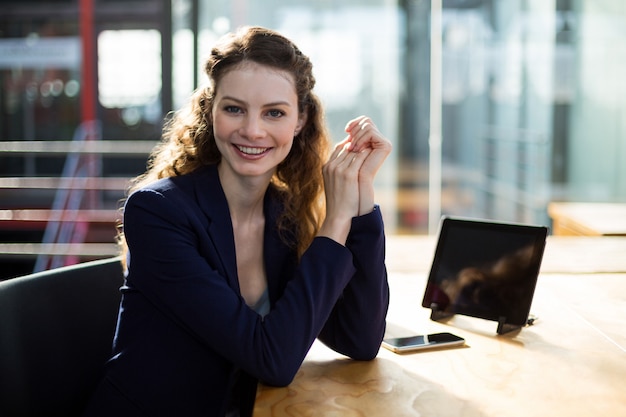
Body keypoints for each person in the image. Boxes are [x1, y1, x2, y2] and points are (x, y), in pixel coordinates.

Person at [82, 25, 392, 417]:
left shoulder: (285, 214)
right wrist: (336, 220)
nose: (252, 130)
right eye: (234, 108)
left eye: (274, 113)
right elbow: (273, 360)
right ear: (211, 110)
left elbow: (359, 340)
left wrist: (360, 200)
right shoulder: (157, 212)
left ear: (300, 119)